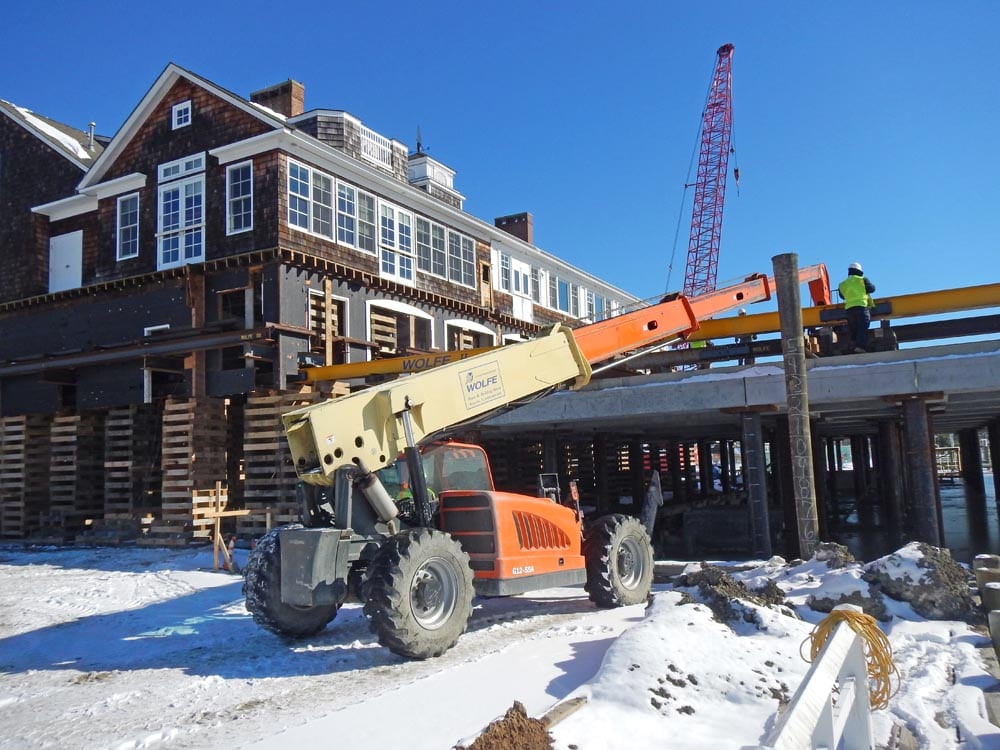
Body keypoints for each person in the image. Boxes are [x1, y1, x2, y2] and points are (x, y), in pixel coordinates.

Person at [837, 262, 876, 353]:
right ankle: (860, 347)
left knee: (854, 329)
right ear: (859, 271)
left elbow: (842, 296)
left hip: (849, 310)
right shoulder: (862, 280)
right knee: (862, 327)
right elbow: (872, 289)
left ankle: (853, 346)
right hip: (861, 307)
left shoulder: (842, 284)